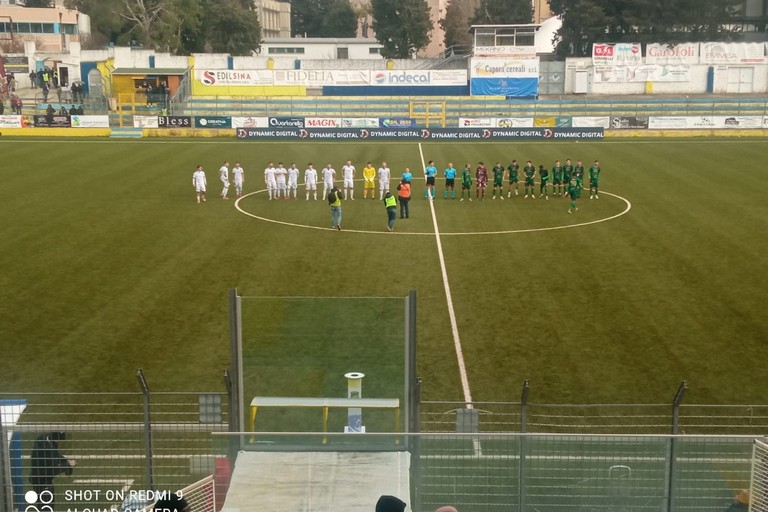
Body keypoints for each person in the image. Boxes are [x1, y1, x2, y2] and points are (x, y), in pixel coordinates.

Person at [29, 432, 75, 506]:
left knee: (43, 505)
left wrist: (64, 460)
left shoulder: (43, 440)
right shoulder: (48, 449)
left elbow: (54, 456)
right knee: (47, 506)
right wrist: (68, 465)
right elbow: (53, 469)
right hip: (43, 481)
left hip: (38, 479)